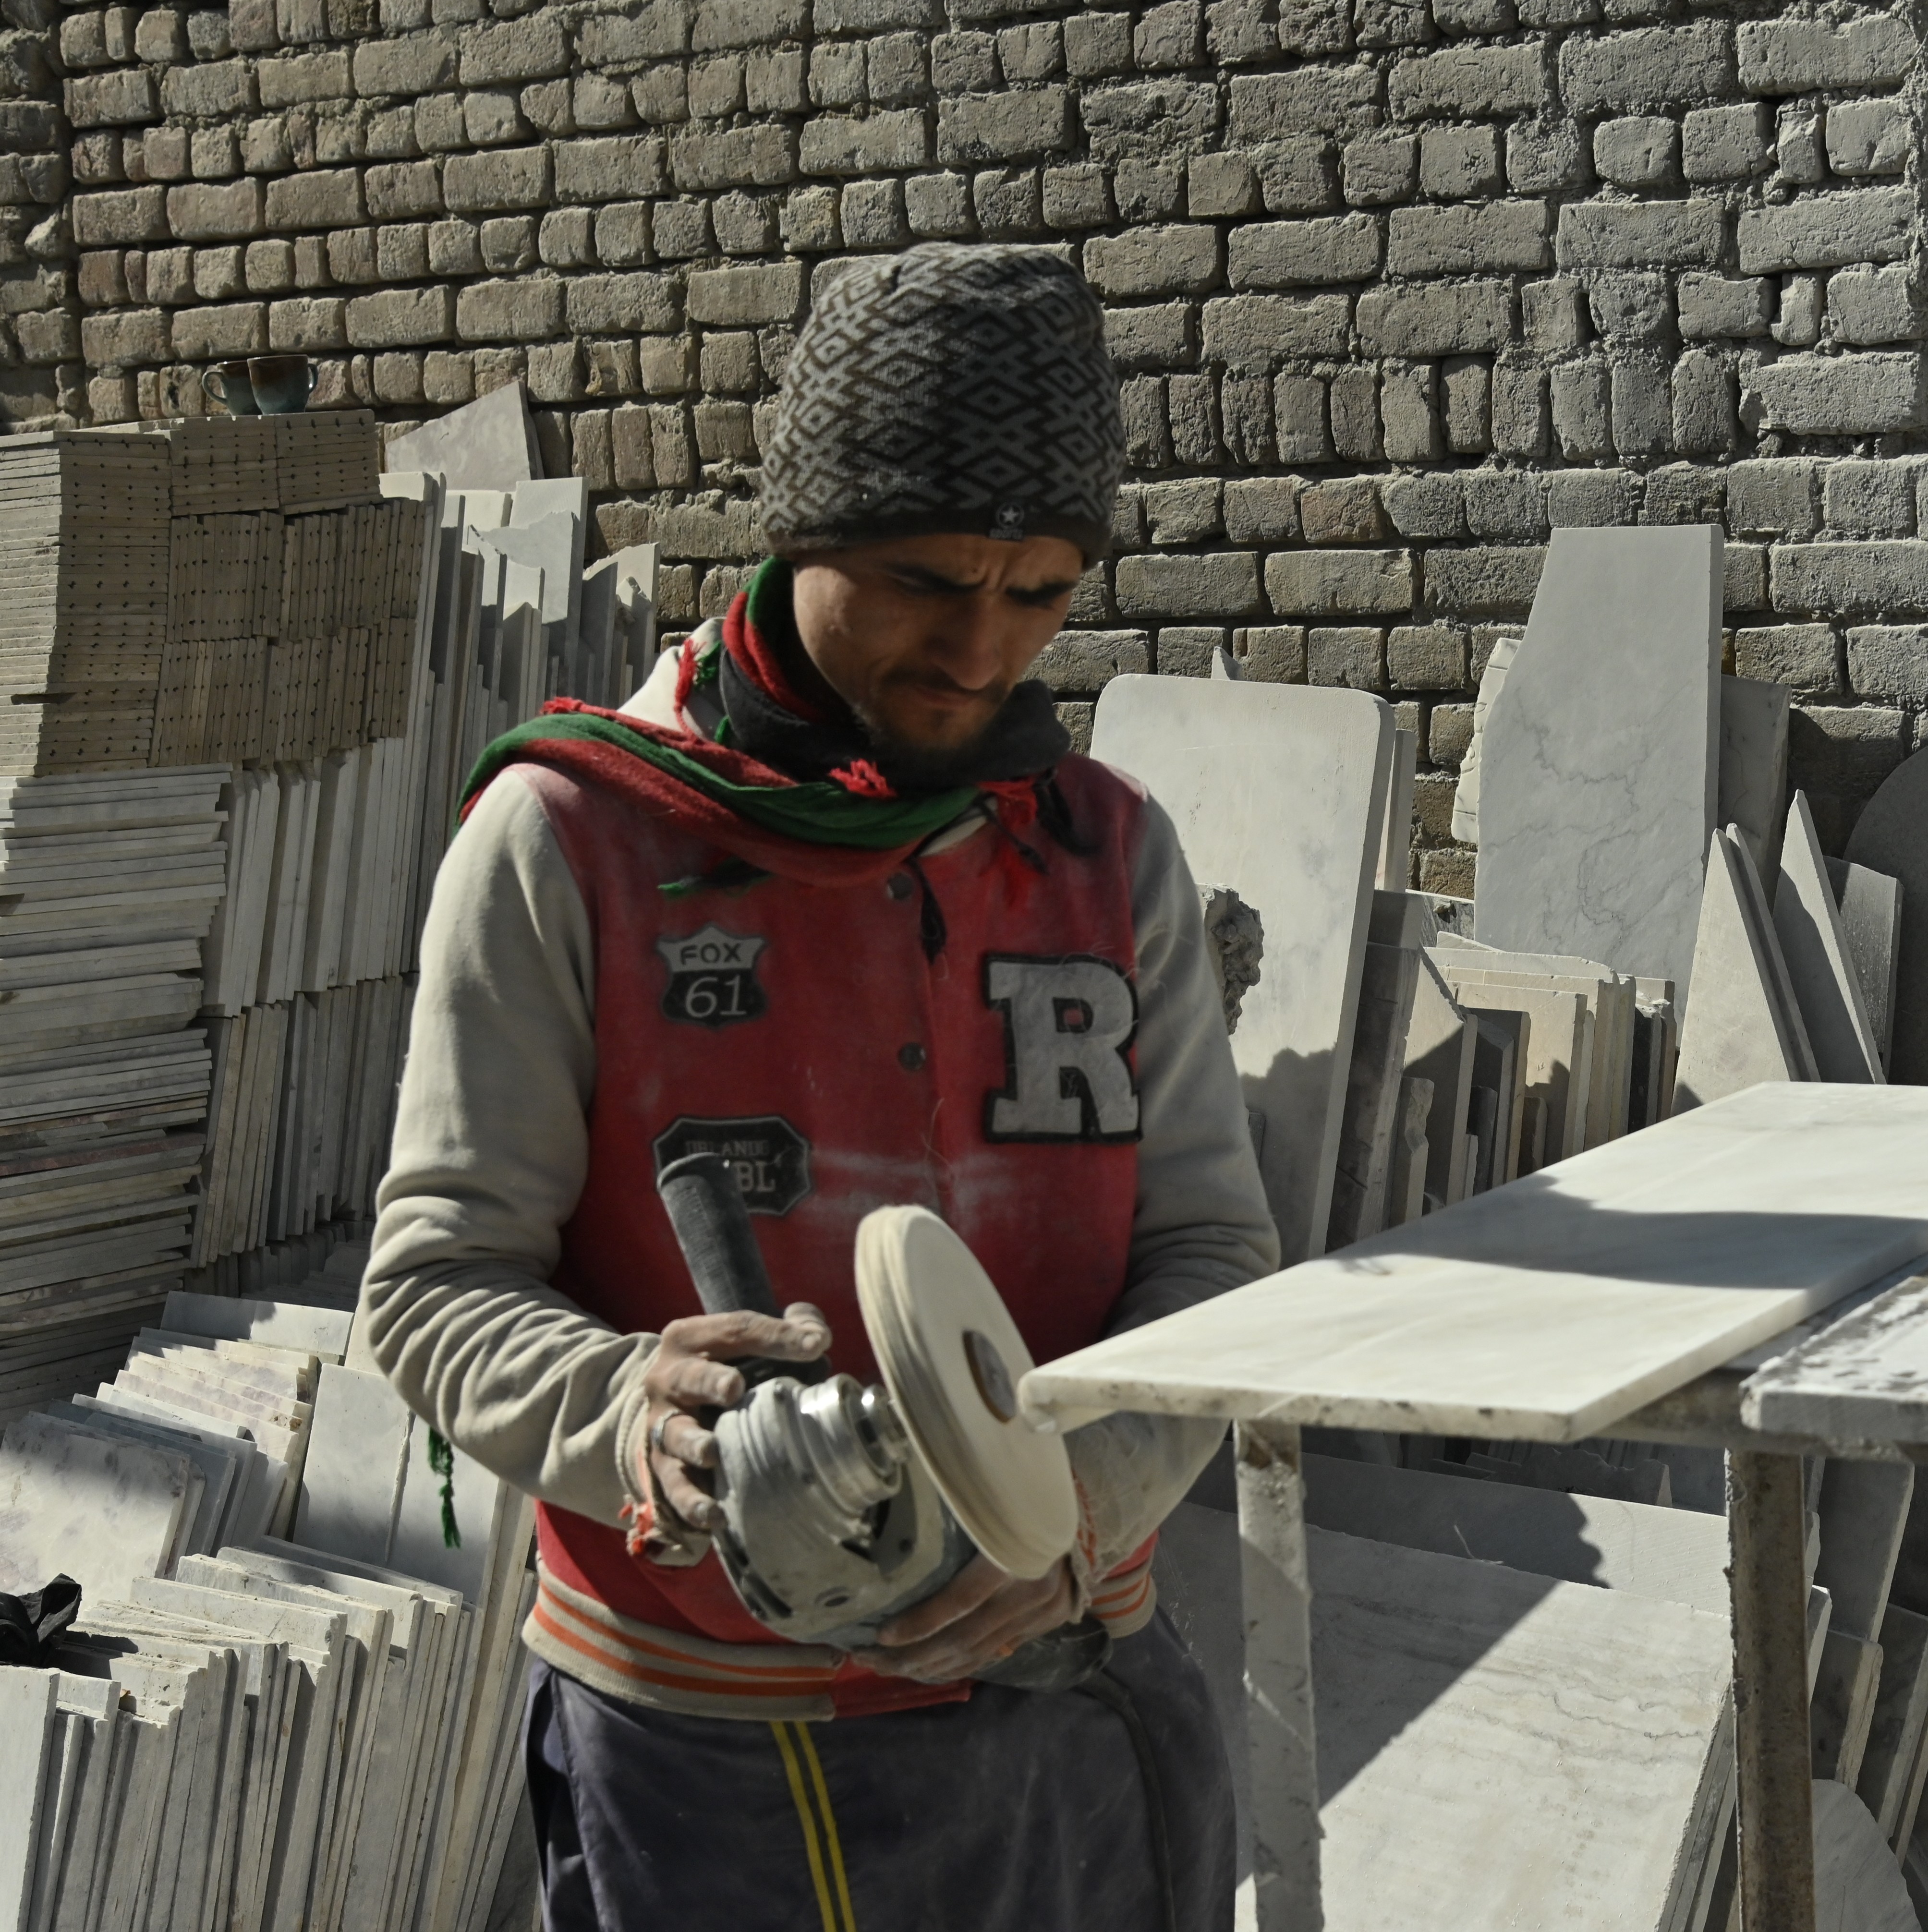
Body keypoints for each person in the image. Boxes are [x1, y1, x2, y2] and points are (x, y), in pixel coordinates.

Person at [362, 243, 1276, 1932]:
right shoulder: (571, 841)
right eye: (928, 582)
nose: (983, 650)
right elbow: (433, 1287)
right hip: (720, 1759)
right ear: (801, 537)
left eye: (1045, 593)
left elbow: (1217, 1262)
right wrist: (633, 1406)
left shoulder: (1106, 853)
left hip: (1078, 1686)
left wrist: (1067, 1513)